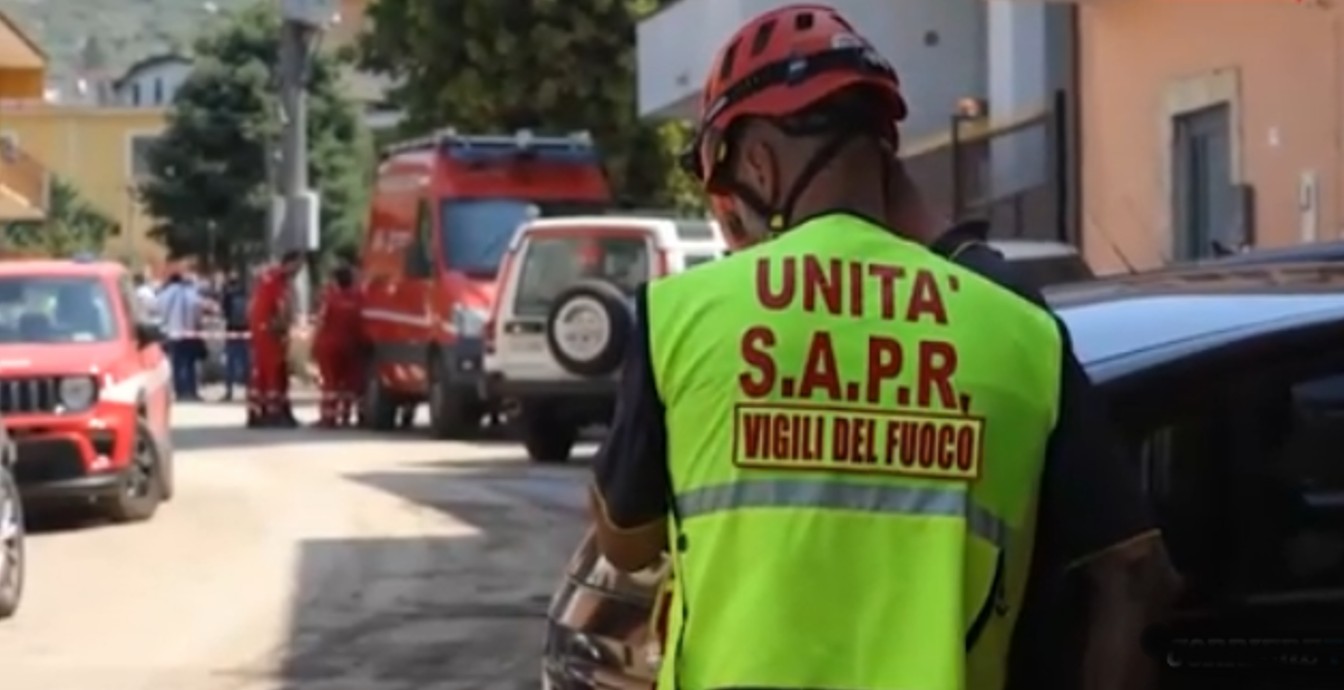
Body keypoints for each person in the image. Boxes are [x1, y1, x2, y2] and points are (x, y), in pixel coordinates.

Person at [587, 6, 1180, 690]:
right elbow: (1136, 573)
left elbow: (623, 541)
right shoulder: (1017, 329)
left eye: (727, 186)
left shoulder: (679, 314)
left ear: (757, 162)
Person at [247, 251, 303, 428]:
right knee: (273, 373)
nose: (298, 271)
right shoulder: (277, 281)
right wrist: (284, 326)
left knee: (265, 373)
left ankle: (261, 411)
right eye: (297, 266)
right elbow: (281, 308)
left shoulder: (270, 279)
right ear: (288, 263)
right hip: (270, 332)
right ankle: (273, 412)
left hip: (264, 331)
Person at [312, 264, 364, 427]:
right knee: (349, 384)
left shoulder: (331, 299)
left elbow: (321, 321)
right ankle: (346, 415)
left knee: (330, 383)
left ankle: (328, 417)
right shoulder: (358, 298)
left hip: (329, 346)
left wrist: (313, 343)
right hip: (351, 346)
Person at [155, 272, 204, 401]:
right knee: (190, 363)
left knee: (177, 364)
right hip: (190, 333)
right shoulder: (191, 293)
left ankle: (180, 392)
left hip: (172, 333)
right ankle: (192, 391)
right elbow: (198, 308)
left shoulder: (164, 294)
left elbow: (158, 311)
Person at [220, 271, 250, 402]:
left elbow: (224, 313)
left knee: (230, 362)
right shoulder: (246, 294)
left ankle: (229, 391)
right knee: (247, 362)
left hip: (232, 330)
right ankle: (250, 390)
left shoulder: (227, 295)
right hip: (246, 331)